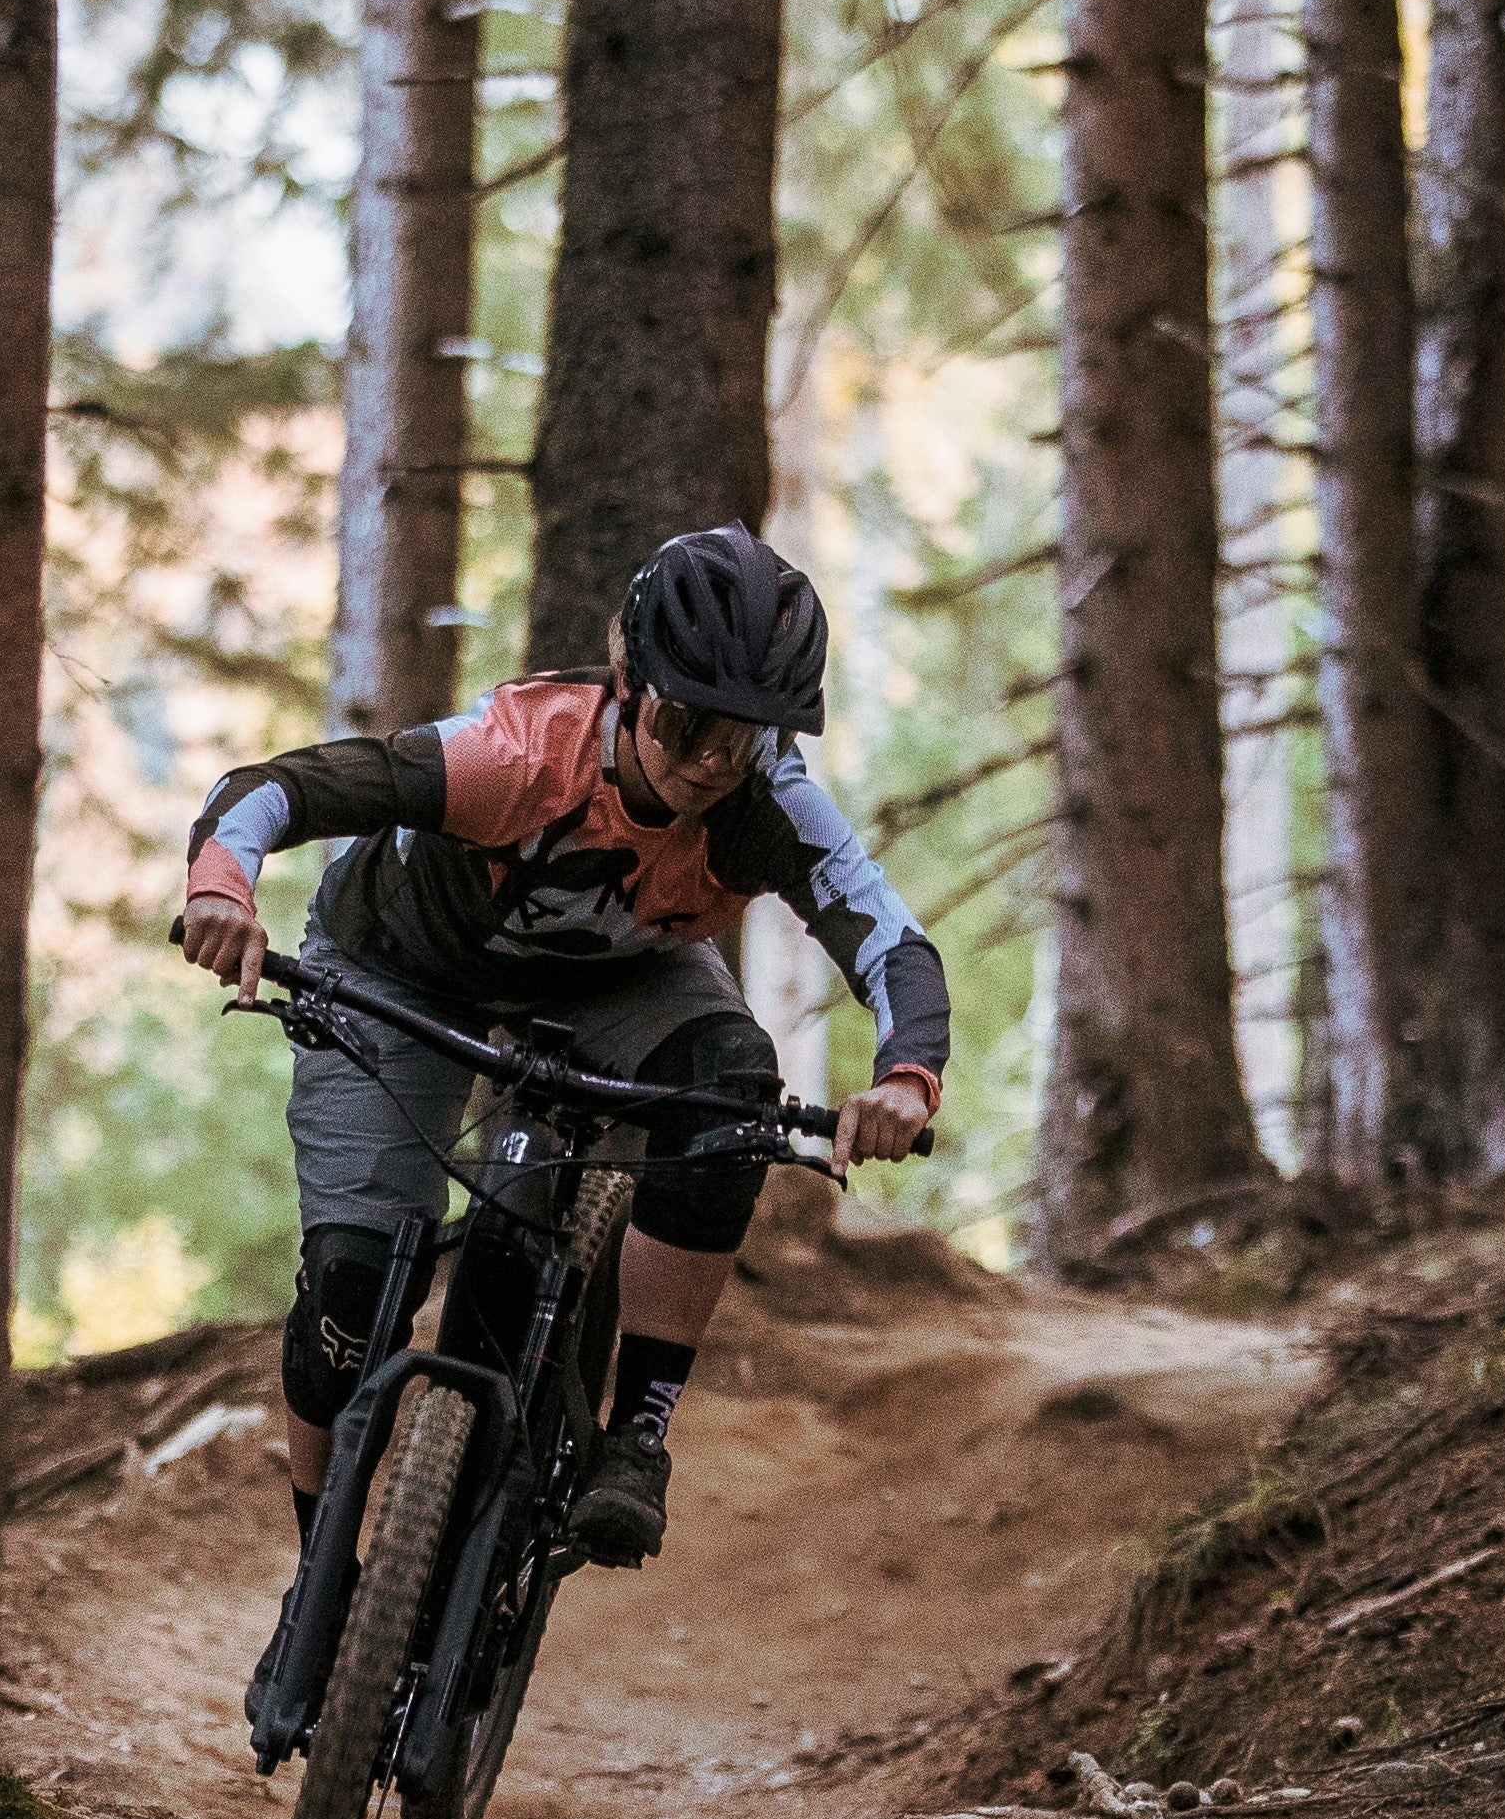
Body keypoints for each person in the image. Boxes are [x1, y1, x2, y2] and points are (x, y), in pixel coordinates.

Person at [167, 524, 949, 1600]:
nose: (714, 761)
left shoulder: (768, 804)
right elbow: (283, 787)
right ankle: (320, 1564)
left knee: (731, 1089)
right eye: (690, 723)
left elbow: (892, 942)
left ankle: (637, 1434)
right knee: (354, 1278)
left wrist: (906, 1078)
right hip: (405, 968)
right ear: (630, 682)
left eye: (750, 734)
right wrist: (222, 886)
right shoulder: (519, 755)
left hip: (614, 981)